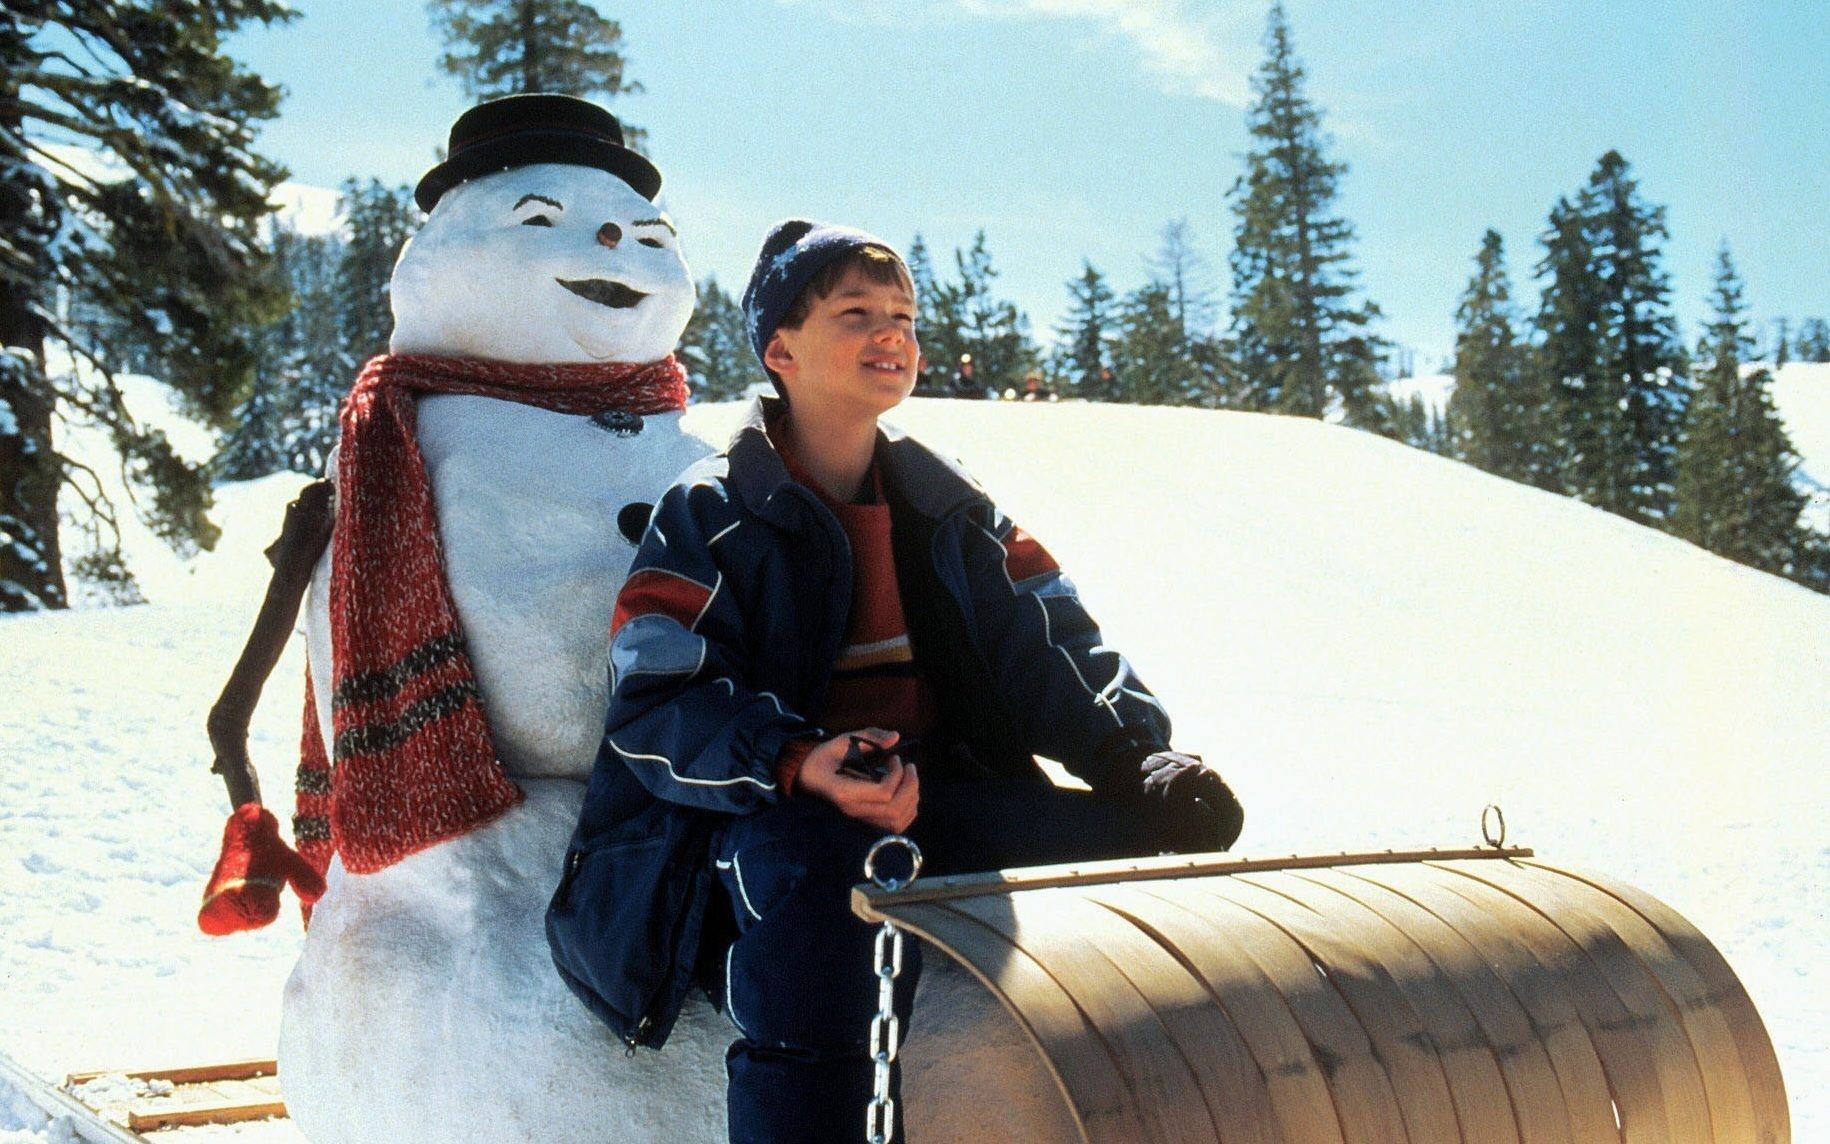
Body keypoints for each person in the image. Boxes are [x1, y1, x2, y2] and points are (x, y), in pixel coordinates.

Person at [550, 220, 1243, 1143]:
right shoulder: (711, 512)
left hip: (928, 800)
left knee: (1143, 856)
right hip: (746, 825)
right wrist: (800, 758)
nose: (893, 335)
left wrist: (1138, 762)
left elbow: (1053, 646)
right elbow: (655, 699)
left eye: (905, 317)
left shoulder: (950, 512)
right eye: (858, 314)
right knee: (827, 896)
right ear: (780, 350)